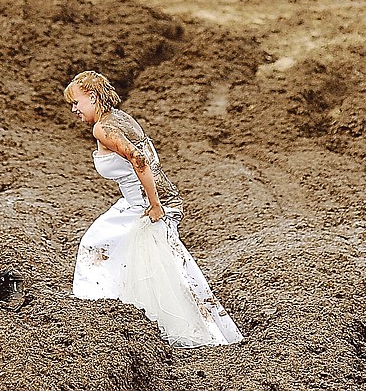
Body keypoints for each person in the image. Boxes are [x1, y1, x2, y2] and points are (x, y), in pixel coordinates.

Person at [64, 71, 244, 348]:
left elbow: (140, 161)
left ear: (91, 96)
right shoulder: (121, 118)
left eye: (76, 102)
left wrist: (155, 205)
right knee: (149, 260)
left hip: (144, 204)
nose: (75, 110)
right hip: (144, 199)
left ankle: (111, 311)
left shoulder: (103, 129)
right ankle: (129, 311)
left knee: (101, 244)